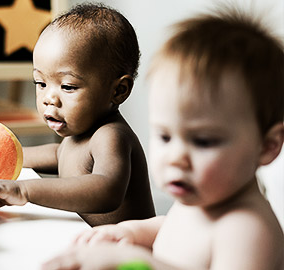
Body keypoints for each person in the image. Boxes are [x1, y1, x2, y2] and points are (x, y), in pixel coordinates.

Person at [41, 7, 284, 270]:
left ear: (268, 146)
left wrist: (140, 262)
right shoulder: (205, 197)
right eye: (165, 136)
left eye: (202, 141)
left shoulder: (247, 231)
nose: (175, 157)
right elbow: (176, 229)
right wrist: (132, 233)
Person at [0, 3, 155, 227]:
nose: (49, 98)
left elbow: (106, 190)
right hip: (89, 242)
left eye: (68, 87)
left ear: (118, 91)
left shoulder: (111, 136)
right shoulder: (77, 135)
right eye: (41, 83)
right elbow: (58, 155)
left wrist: (22, 189)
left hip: (127, 255)